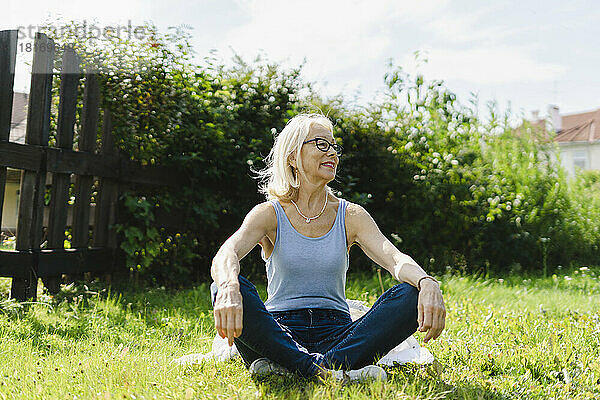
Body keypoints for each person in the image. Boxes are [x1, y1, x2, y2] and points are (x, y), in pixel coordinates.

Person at [210, 113, 446, 382]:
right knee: (222, 285)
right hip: (277, 333)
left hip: (339, 336)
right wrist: (229, 287)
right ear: (292, 156)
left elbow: (395, 259)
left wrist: (427, 282)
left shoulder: (351, 215)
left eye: (334, 146)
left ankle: (300, 368)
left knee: (411, 293)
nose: (332, 153)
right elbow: (226, 254)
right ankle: (330, 370)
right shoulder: (269, 214)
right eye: (322, 144)